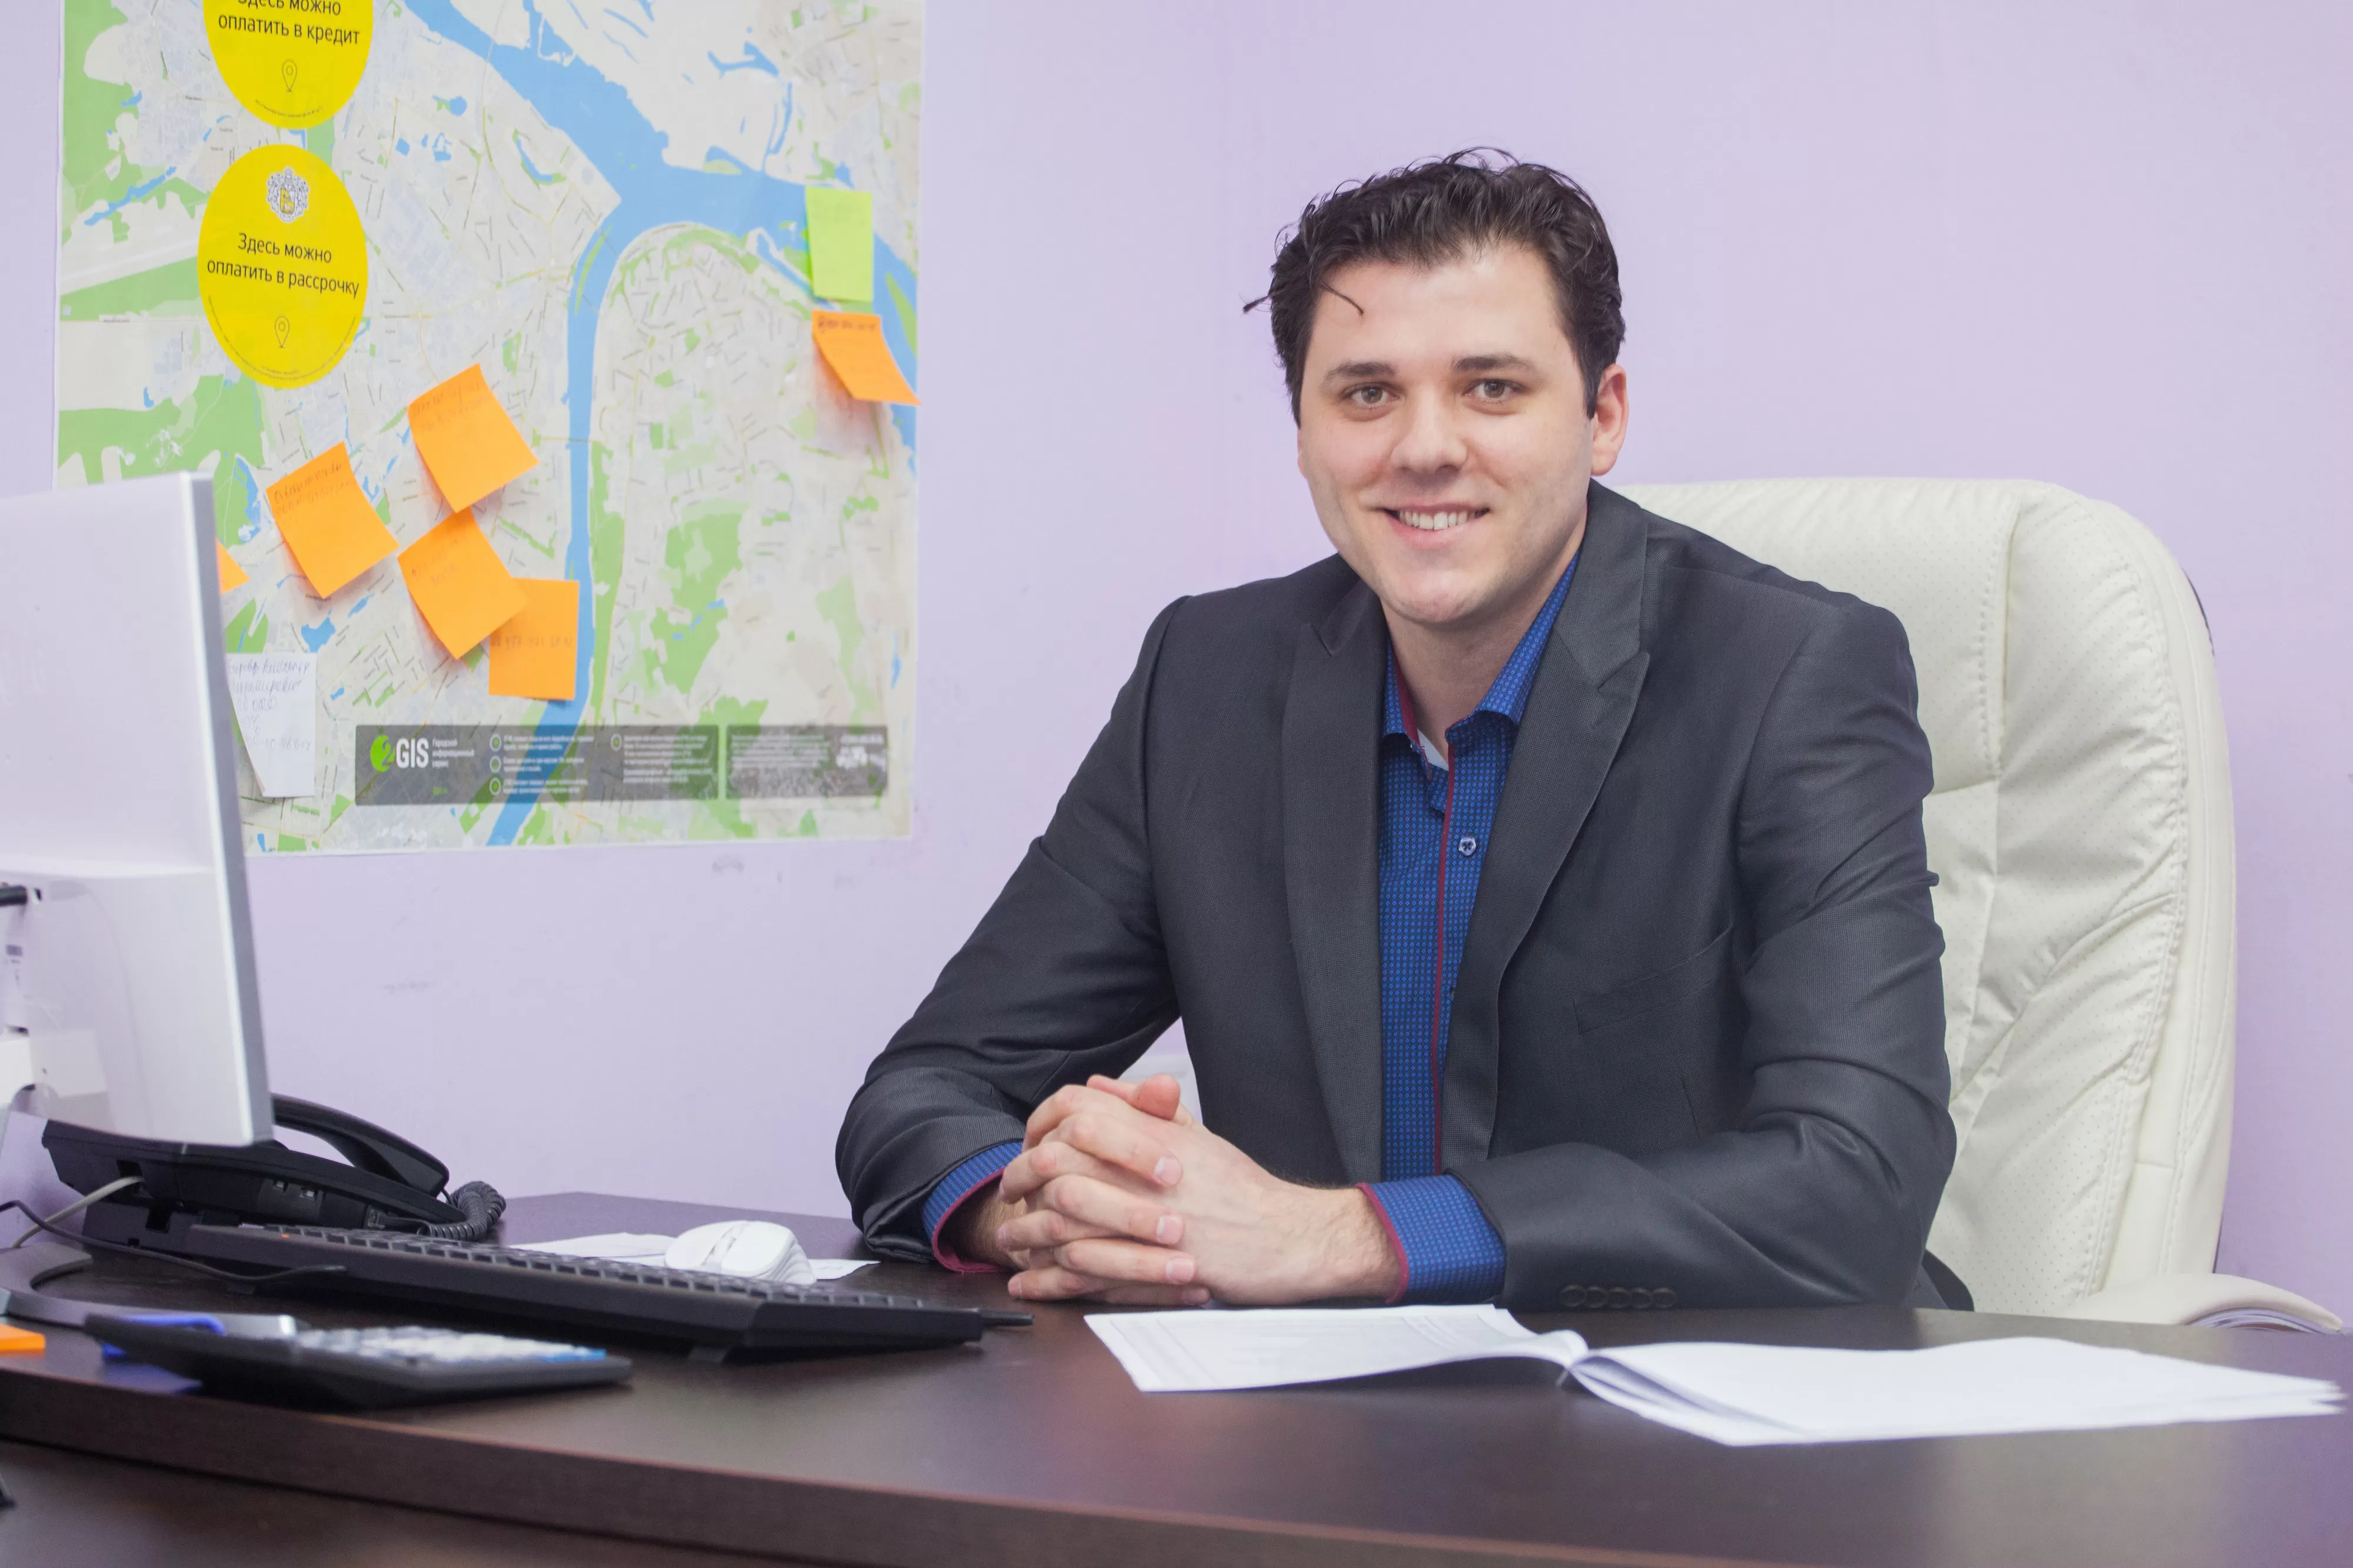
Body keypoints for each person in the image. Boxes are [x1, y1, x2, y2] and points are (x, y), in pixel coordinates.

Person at [836, 151, 1957, 1312]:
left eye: (1491, 388)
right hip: (1319, 1407)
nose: (1424, 447)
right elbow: (925, 1090)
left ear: (1603, 416)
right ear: (1304, 429)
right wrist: (1044, 1209)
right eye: (1366, 393)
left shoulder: (1791, 675)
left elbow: (1858, 1183)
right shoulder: (1206, 681)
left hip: (1693, 1394)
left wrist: (1341, 1237)